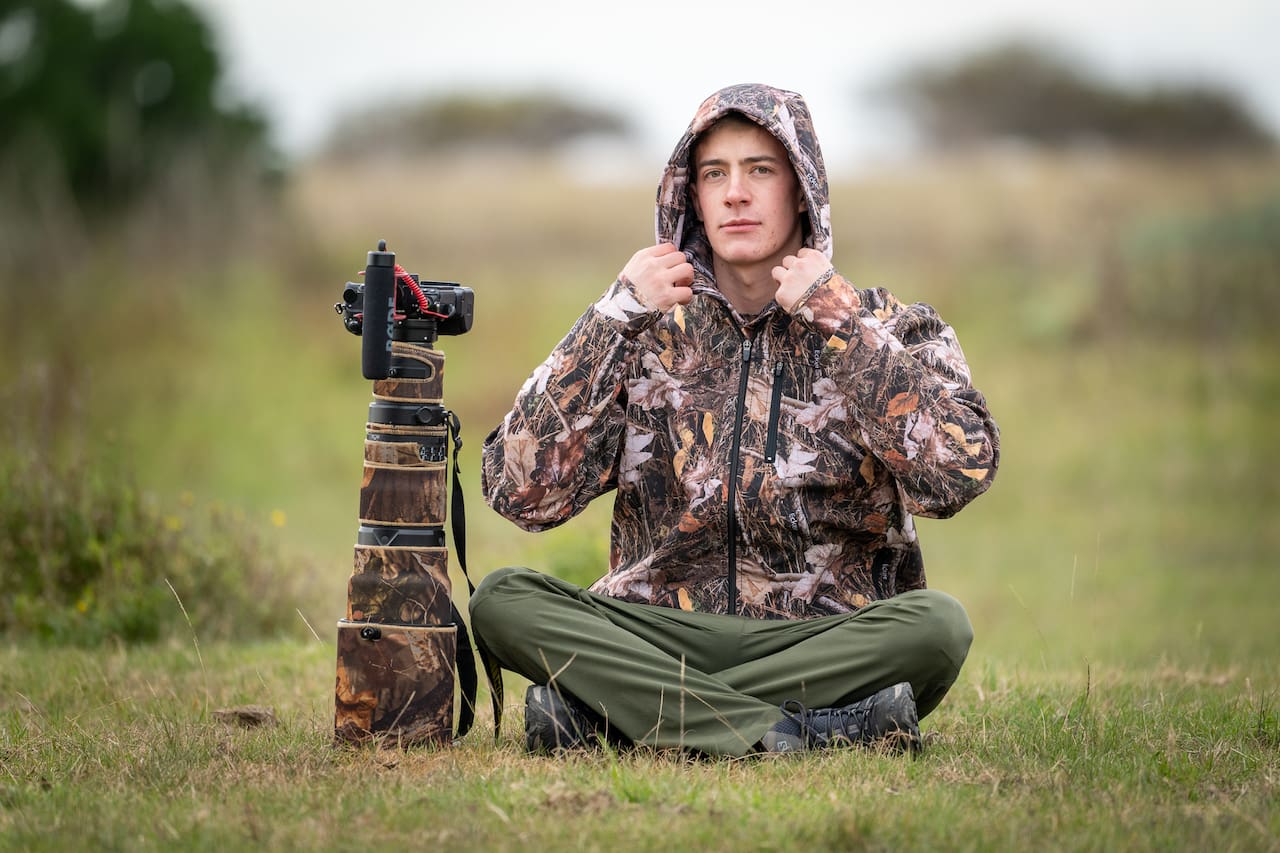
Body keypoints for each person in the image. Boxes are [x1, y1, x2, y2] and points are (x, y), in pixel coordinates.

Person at [469, 83, 999, 756]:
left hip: (823, 635)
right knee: (503, 599)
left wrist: (845, 327)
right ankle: (800, 731)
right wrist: (610, 319)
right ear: (691, 196)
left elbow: (959, 472)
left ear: (802, 190)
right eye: (714, 174)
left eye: (760, 170)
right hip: (657, 629)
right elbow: (518, 492)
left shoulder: (889, 326)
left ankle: (621, 716)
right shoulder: (642, 332)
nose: (735, 194)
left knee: (937, 626)